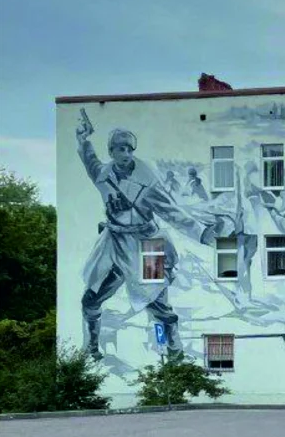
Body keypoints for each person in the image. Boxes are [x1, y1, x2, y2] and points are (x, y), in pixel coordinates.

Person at [76, 112, 234, 357]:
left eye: (129, 149)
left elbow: (173, 212)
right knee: (91, 298)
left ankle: (174, 351)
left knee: (157, 303)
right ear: (111, 151)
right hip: (114, 244)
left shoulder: (148, 182)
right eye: (120, 149)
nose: (126, 154)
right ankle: (91, 348)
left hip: (147, 246)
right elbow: (90, 161)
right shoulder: (103, 174)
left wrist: (204, 234)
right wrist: (83, 139)